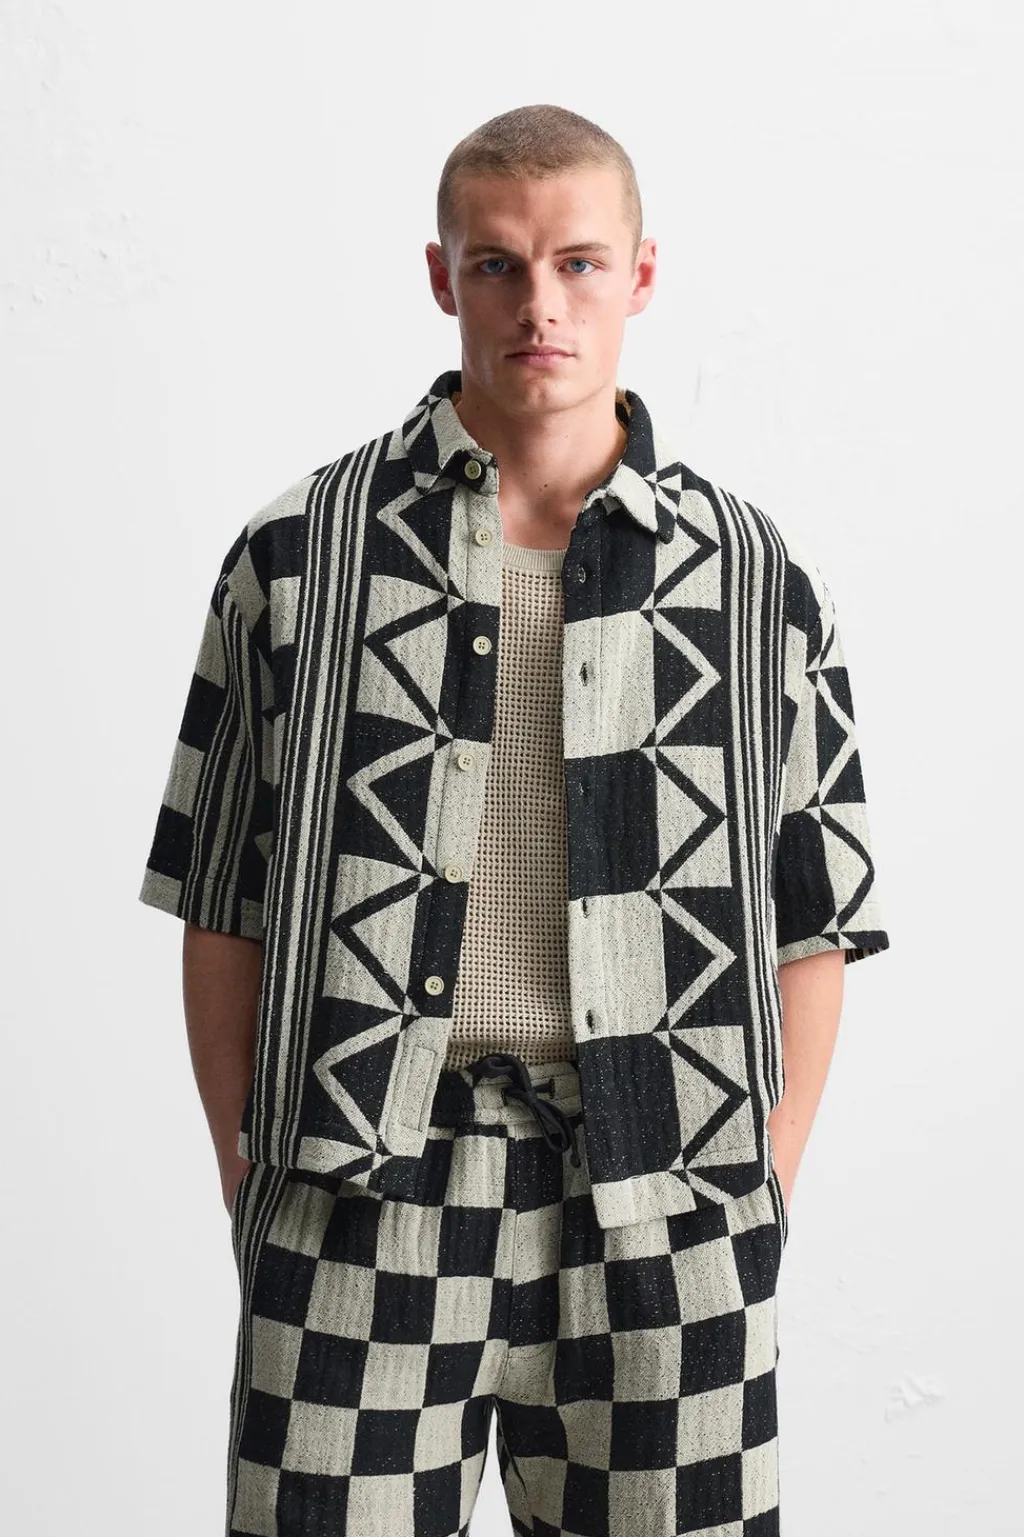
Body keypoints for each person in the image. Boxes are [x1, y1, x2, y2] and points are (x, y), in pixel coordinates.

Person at [139, 103, 890, 1537]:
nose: (540, 304)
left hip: (673, 1204)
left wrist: (766, 1182)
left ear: (642, 275)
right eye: (497, 264)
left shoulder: (753, 579)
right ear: (443, 277)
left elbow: (816, 919)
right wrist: (253, 1171)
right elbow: (219, 894)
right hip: (362, 1188)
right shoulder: (301, 557)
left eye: (578, 263)